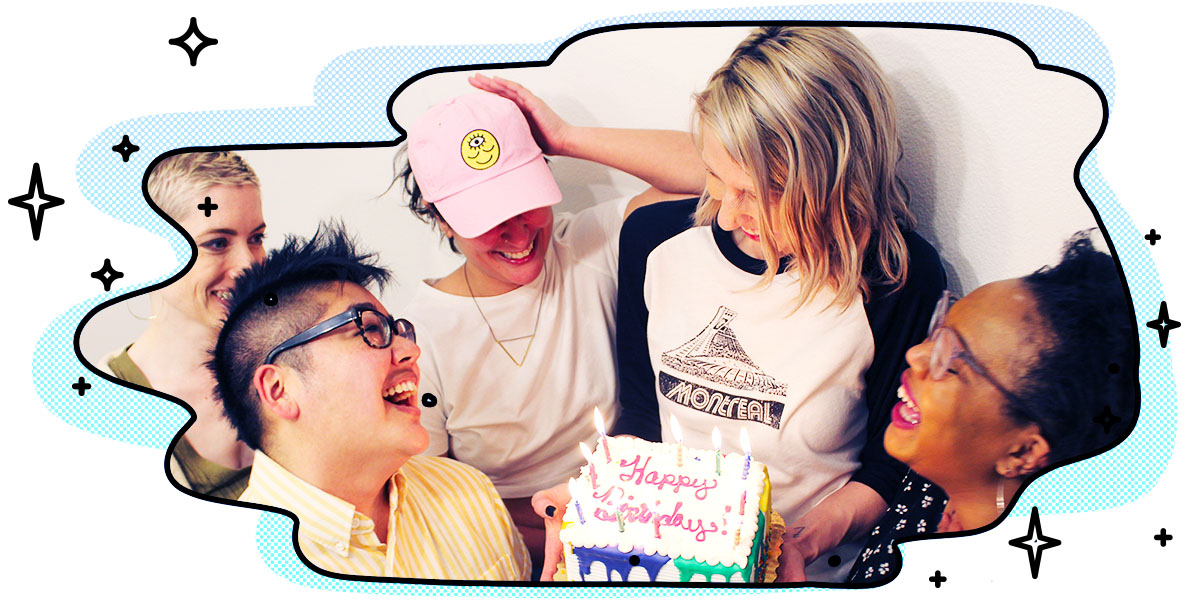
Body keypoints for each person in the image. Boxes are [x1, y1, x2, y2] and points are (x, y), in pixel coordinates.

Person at [476, 26, 945, 582]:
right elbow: (644, 416)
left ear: (831, 180)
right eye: (716, 181)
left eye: (752, 194)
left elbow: (890, 468)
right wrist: (600, 496)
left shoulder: (896, 279)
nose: (724, 214)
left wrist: (802, 538)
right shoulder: (655, 241)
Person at [395, 91, 697, 573]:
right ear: (440, 218)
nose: (517, 234)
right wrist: (576, 536)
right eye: (488, 219)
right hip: (510, 543)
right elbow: (430, 500)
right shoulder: (416, 340)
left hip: (636, 513)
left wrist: (567, 138)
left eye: (524, 202)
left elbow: (715, 175)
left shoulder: (587, 246)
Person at [208, 224, 531, 580]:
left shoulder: (466, 491)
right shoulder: (236, 574)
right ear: (279, 390)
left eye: (398, 331)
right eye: (370, 329)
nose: (411, 350)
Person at [848, 233, 1137, 583]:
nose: (916, 355)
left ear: (1023, 452)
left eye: (952, 363)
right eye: (941, 329)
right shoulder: (935, 485)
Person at [104, 151, 264, 500]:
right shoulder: (105, 407)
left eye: (256, 238)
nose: (248, 264)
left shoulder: (292, 357)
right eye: (217, 243)